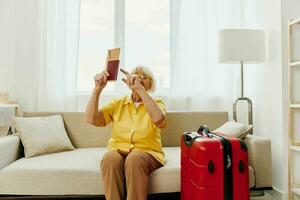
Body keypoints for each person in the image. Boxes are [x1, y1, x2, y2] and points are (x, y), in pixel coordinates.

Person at [85, 65, 167, 200]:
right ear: (128, 81)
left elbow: (159, 119)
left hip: (147, 153)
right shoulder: (118, 103)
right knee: (109, 158)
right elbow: (90, 118)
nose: (139, 80)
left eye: (143, 78)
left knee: (134, 159)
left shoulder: (157, 103)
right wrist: (97, 89)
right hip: (119, 150)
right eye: (136, 77)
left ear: (150, 84)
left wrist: (139, 89)